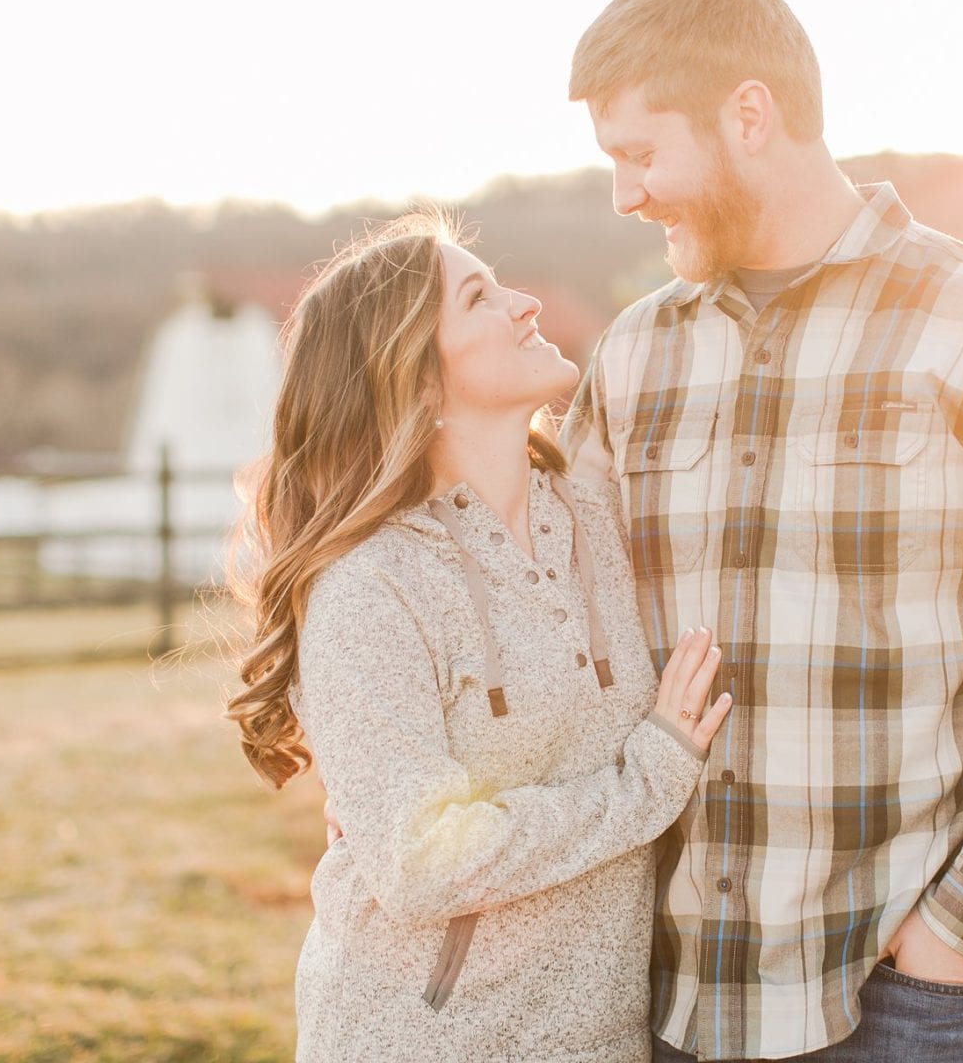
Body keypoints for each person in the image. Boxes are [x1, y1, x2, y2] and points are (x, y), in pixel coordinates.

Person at [562, 0, 963, 1062]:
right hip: (669, 999)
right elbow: (559, 621)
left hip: (898, 995)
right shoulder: (635, 355)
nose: (625, 194)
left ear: (750, 114)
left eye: (640, 153)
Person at [224, 210, 731, 1063]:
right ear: (418, 380)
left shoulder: (602, 518)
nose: (527, 303)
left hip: (604, 1039)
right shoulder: (370, 587)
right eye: (481, 298)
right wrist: (652, 775)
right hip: (420, 1040)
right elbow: (420, 862)